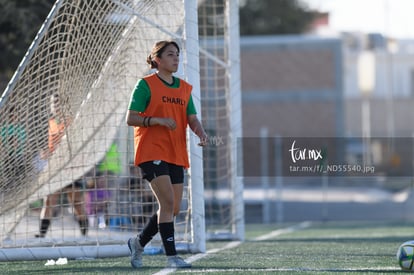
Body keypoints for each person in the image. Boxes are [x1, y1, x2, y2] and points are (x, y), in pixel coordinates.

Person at [126, 40, 208, 269]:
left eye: (177, 55)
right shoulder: (145, 85)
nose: (176, 58)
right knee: (167, 201)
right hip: (151, 151)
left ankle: (138, 242)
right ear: (157, 60)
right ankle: (172, 257)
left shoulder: (184, 88)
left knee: (172, 208)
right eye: (170, 54)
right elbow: (131, 118)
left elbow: (192, 118)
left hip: (176, 152)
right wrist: (156, 120)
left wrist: (201, 133)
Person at [35, 93, 88, 238]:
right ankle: (41, 235)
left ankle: (84, 234)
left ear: (64, 105)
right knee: (49, 201)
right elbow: (51, 145)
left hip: (71, 169)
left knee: (76, 204)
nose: (55, 106)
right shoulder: (51, 122)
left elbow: (77, 144)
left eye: (58, 103)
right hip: (56, 168)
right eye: (53, 103)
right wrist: (46, 152)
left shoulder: (71, 122)